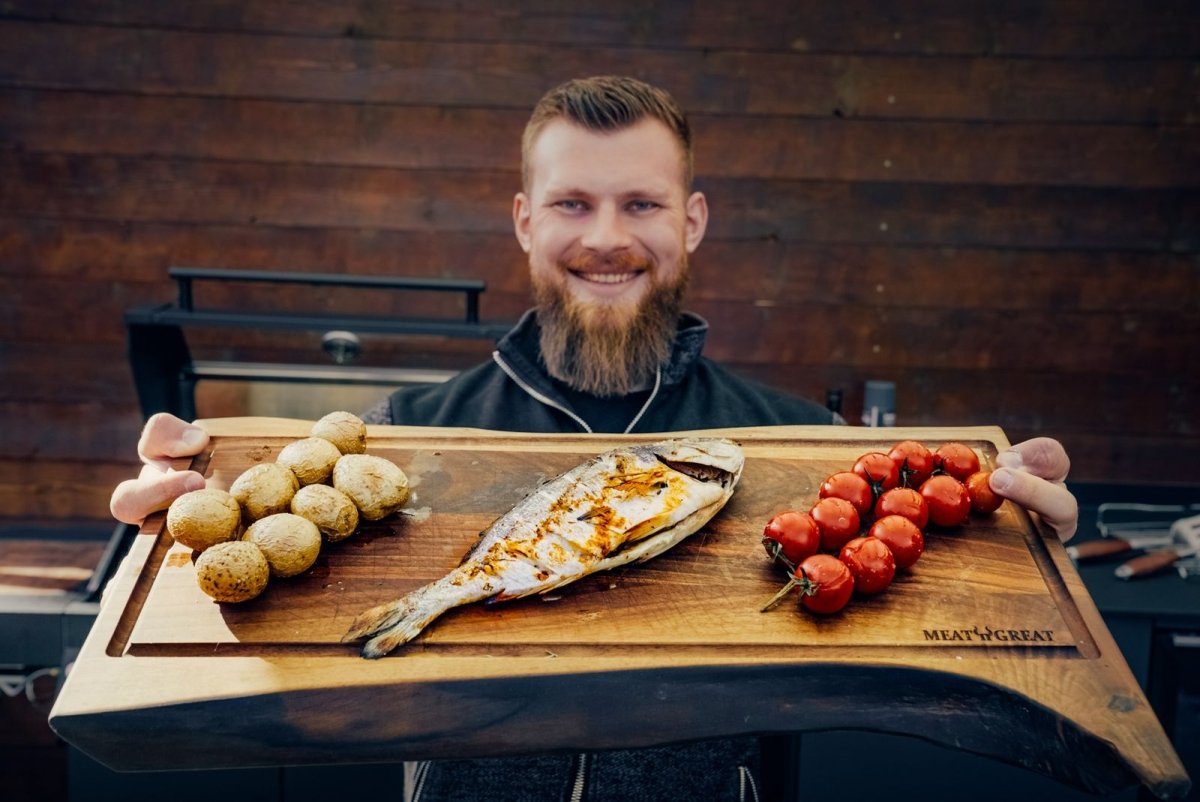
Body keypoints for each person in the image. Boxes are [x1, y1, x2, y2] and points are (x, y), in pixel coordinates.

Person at [110, 76, 1079, 801]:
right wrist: (163, 535)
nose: (607, 237)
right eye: (573, 203)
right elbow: (271, 644)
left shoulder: (811, 446)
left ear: (692, 223)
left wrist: (1013, 546)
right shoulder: (400, 437)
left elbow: (892, 625)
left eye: (643, 204)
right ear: (527, 223)